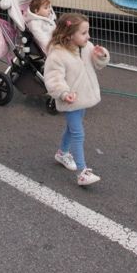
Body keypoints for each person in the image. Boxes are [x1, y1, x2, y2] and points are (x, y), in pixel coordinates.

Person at [43, 13, 109, 187]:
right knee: (78, 133)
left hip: (83, 98)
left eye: (88, 32)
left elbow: (97, 65)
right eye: (84, 33)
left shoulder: (86, 47)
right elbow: (53, 79)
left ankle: (62, 152)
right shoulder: (57, 54)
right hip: (71, 100)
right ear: (70, 35)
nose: (89, 36)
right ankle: (82, 172)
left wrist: (101, 56)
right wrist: (64, 93)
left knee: (72, 129)